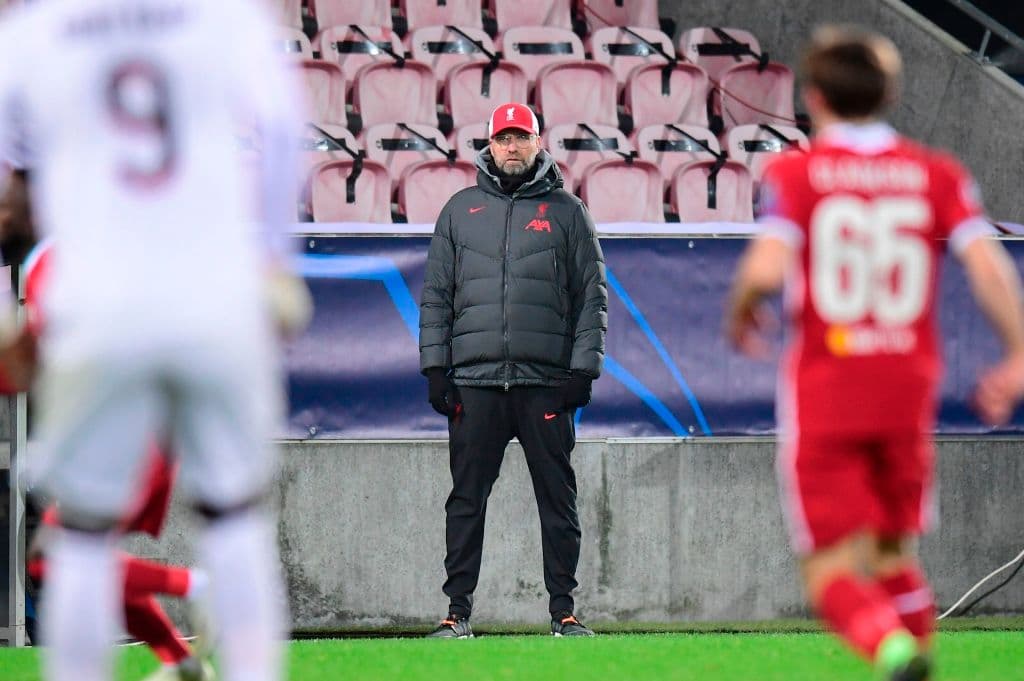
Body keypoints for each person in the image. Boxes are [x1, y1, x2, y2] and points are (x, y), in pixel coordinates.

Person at [0, 2, 309, 680]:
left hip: (97, 298)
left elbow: (9, 188)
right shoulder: (215, 17)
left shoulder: (33, 34)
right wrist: (277, 259)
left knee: (77, 533)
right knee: (234, 511)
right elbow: (285, 123)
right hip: (212, 290)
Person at [726, 25, 1024, 681]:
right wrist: (1019, 352)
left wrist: (742, 306)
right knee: (893, 554)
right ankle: (913, 655)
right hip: (906, 388)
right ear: (889, 93)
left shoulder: (797, 173)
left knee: (828, 566)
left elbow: (767, 266)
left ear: (814, 96)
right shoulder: (937, 175)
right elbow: (990, 267)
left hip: (828, 390)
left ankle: (894, 655)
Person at [419, 102, 607, 638]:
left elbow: (592, 298)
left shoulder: (569, 212)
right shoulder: (458, 210)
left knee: (558, 501)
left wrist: (582, 372)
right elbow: (436, 296)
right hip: (475, 384)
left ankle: (563, 613)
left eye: (521, 137)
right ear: (489, 145)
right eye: (503, 139)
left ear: (538, 141)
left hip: (545, 384)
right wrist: (436, 368)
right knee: (465, 501)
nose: (512, 147)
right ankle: (456, 613)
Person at [0, 239, 212, 681]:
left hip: (132, 436)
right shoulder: (73, 254)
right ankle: (182, 660)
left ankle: (197, 587)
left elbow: (25, 369)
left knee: (58, 561)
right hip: (130, 432)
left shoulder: (59, 260)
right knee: (71, 560)